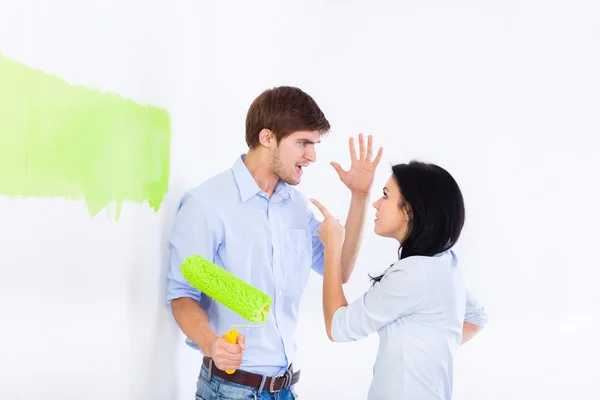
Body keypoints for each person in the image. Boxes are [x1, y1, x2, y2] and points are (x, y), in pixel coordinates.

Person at [166, 86, 383, 399]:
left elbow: (340, 270)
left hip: (285, 388)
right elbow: (181, 296)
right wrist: (212, 343)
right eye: (303, 143)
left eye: (314, 144)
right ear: (267, 138)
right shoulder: (206, 204)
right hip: (230, 390)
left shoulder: (295, 206)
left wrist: (360, 197)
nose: (312, 156)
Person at [310, 160, 488, 400]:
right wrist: (429, 347)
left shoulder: (410, 275)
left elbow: (337, 327)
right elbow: (477, 318)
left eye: (385, 196)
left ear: (409, 210)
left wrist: (332, 247)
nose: (376, 203)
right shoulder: (445, 263)